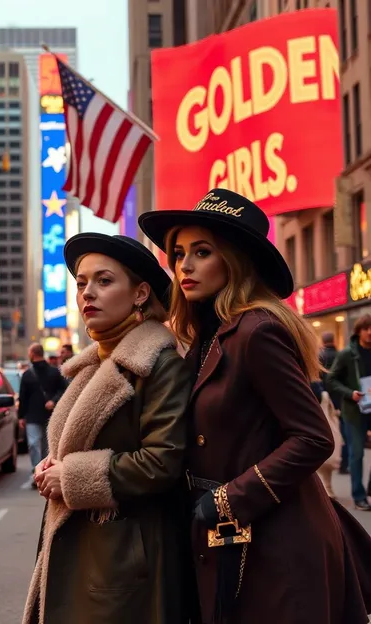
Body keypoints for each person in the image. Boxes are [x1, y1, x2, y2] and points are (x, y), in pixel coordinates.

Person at [139, 188, 371, 624]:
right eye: (179, 252)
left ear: (234, 258)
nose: (184, 264)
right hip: (233, 539)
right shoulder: (207, 335)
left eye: (202, 252)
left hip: (277, 542)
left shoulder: (256, 331)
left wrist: (227, 499)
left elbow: (313, 437)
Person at [22, 234, 192, 624]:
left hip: (126, 560)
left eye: (104, 281)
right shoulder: (96, 361)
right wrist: (54, 464)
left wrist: (72, 476)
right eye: (82, 283)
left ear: (140, 293)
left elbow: (162, 461)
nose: (88, 293)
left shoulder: (160, 364)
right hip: (89, 550)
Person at [327, 315, 371, 510]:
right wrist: (350, 393)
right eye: (366, 328)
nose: (370, 332)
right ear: (359, 331)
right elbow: (331, 380)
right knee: (357, 454)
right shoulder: (346, 354)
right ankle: (359, 496)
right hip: (354, 411)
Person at [18, 344, 67, 484]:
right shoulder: (28, 374)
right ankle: (36, 470)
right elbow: (23, 397)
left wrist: (53, 401)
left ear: (33, 354)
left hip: (48, 415)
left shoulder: (53, 372)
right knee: (35, 443)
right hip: (35, 416)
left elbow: (63, 390)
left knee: (44, 445)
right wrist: (22, 416)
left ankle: (44, 472)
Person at [320, 332, 348, 473]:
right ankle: (343, 464)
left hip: (326, 400)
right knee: (343, 432)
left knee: (329, 430)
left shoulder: (320, 357)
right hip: (341, 398)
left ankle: (329, 460)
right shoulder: (341, 355)